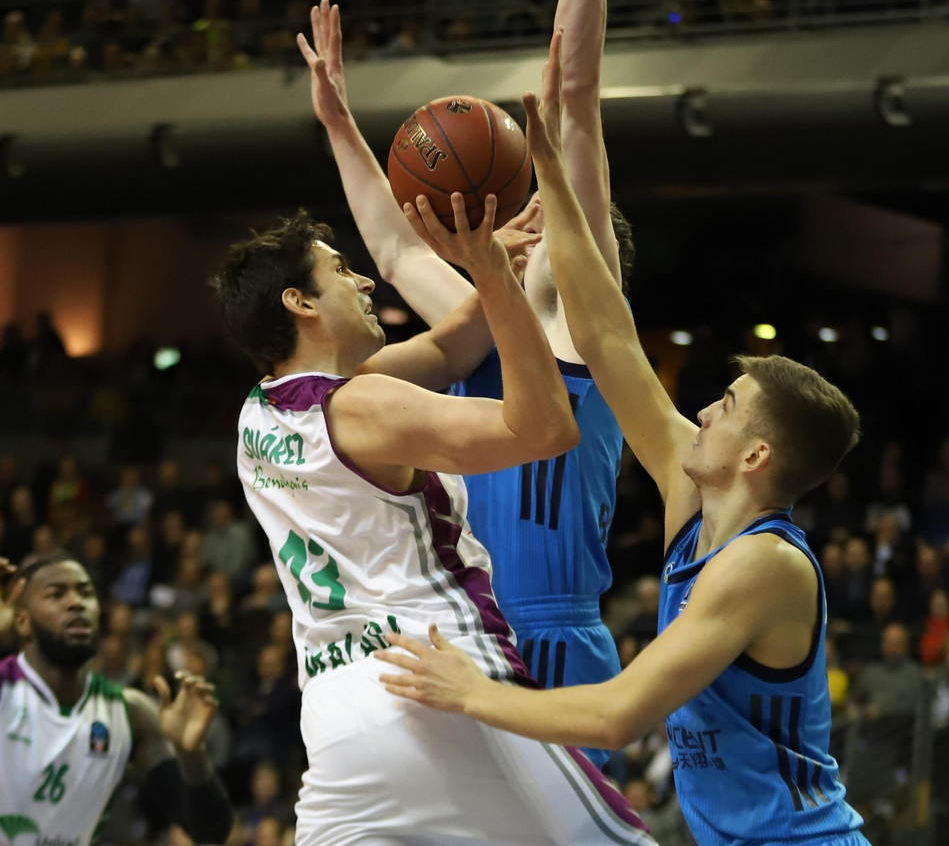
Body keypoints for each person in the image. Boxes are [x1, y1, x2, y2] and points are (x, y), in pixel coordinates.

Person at [374, 21, 867, 844]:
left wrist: (470, 692)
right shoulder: (692, 499)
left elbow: (616, 714)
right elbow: (605, 332)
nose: (702, 410)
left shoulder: (766, 564)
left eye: (727, 405)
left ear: (756, 454)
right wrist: (557, 169)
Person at [296, 0, 651, 771]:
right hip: (459, 632)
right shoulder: (477, 315)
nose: (531, 220)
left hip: (554, 638)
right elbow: (393, 244)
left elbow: (575, 95)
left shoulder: (582, 326)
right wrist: (339, 124)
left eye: (552, 218)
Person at [213, 67, 642, 839]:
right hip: (450, 662)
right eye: (339, 272)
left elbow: (443, 335)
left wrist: (492, 261)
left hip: (346, 702)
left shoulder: (259, 412)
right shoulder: (370, 402)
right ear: (300, 302)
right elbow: (540, 425)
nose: (362, 280)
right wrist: (491, 269)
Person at [0, 554, 234, 846]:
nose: (76, 603)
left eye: (85, 593)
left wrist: (191, 755)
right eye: (56, 595)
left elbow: (210, 833)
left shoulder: (131, 712)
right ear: (22, 622)